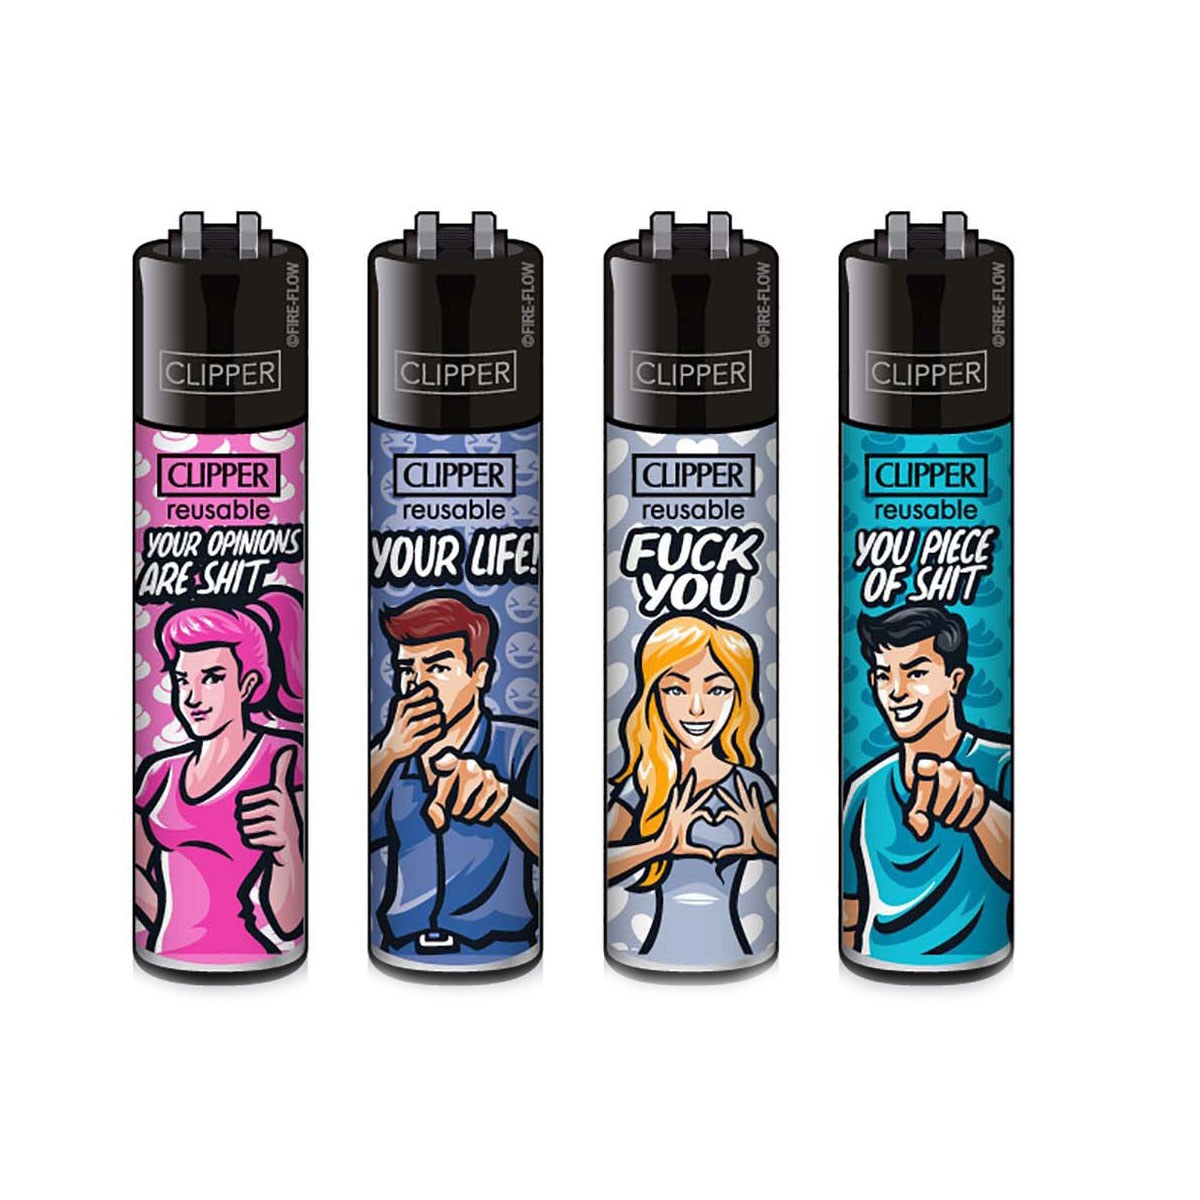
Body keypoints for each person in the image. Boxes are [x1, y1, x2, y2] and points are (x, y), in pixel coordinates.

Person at [134, 588, 305, 964]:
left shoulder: (280, 760)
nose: (192, 697)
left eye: (211, 678)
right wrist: (167, 920)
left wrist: (287, 847)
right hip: (163, 949)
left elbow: (289, 923)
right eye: (183, 680)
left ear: (247, 685)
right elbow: (134, 867)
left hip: (252, 949)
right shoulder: (160, 773)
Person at [369, 591, 539, 958]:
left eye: (438, 668)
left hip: (499, 944)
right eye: (406, 670)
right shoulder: (390, 757)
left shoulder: (522, 747)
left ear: (481, 675)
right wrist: (385, 754)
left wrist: (504, 803)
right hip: (399, 944)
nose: (417, 684)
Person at [842, 603, 1012, 966]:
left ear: (956, 680)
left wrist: (981, 812)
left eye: (916, 672)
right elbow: (850, 913)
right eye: (884, 675)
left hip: (979, 956)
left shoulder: (1003, 767)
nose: (896, 691)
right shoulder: (863, 790)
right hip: (875, 961)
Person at [607, 614, 777, 963]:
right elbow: (601, 863)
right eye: (676, 689)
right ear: (653, 695)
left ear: (739, 697)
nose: (697, 708)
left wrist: (765, 844)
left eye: (717, 690)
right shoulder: (644, 782)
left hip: (738, 945)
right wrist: (659, 845)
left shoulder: (752, 786)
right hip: (654, 946)